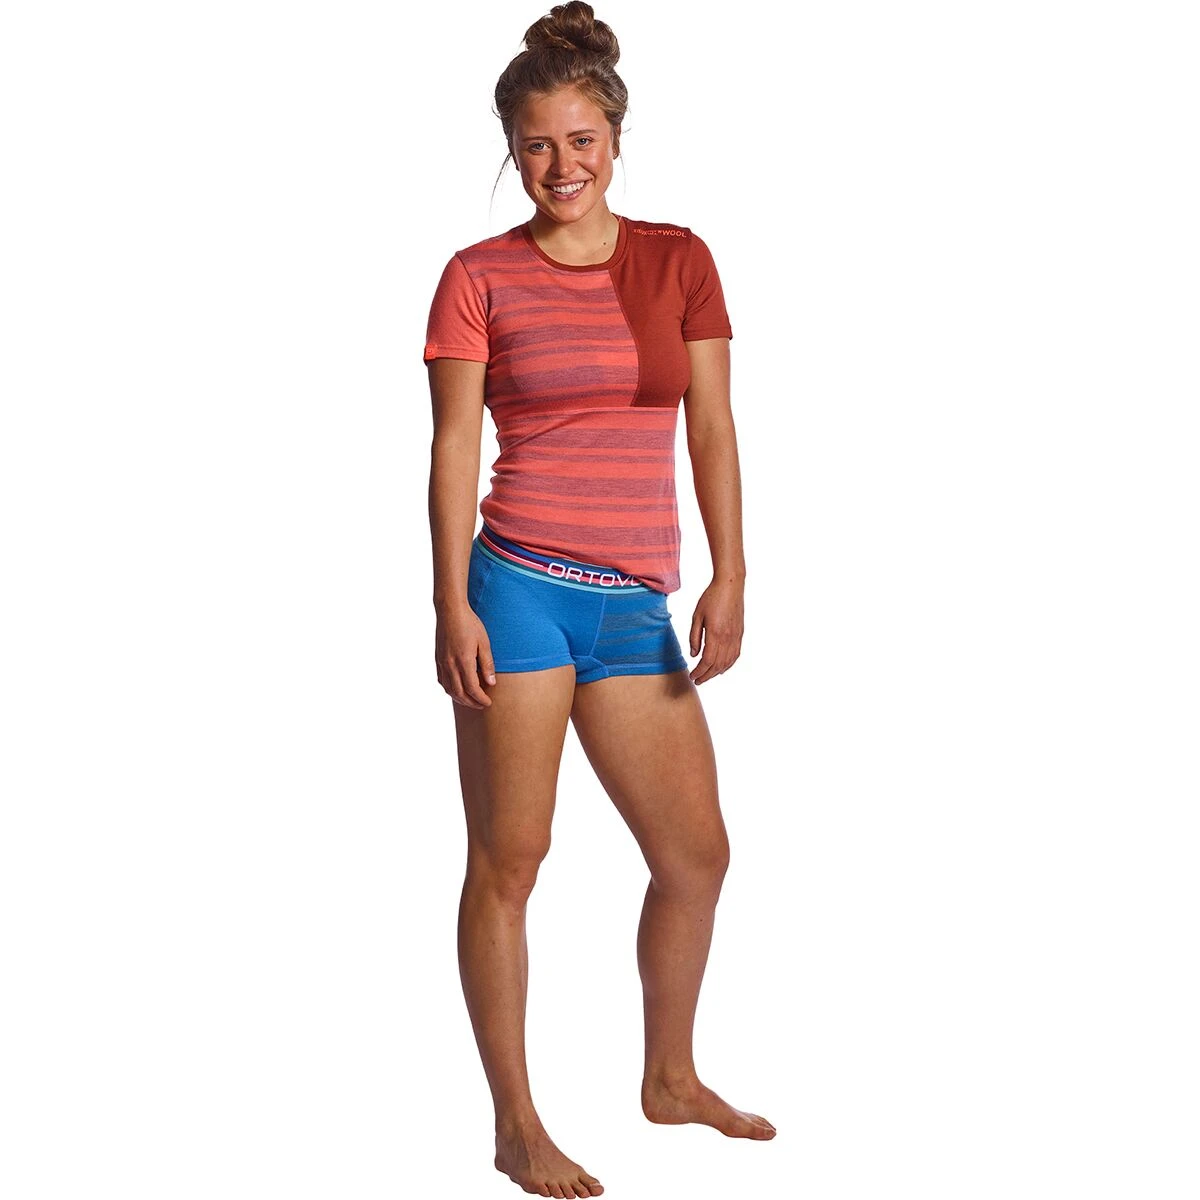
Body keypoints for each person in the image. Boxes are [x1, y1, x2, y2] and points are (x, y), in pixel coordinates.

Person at [423, 3, 774, 1195]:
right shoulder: (476, 277)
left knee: (696, 856)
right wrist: (451, 604)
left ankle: (668, 1078)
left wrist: (732, 570)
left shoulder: (680, 260)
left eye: (581, 140)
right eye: (536, 145)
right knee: (511, 860)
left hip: (632, 606)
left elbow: (713, 426)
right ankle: (517, 1126)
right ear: (511, 150)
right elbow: (454, 451)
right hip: (518, 589)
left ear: (616, 137)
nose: (560, 164)